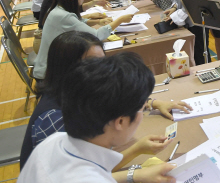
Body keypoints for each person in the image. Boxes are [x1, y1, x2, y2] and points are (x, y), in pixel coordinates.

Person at [22, 31, 192, 170]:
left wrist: (152, 102)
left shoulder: (74, 92)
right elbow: (89, 170)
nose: (104, 70)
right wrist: (136, 161)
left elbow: (114, 95)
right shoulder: (55, 119)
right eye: (94, 63)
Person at [33, 0, 133, 81]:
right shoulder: (63, 16)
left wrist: (99, 21)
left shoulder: (60, 9)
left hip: (52, 68)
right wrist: (120, 20)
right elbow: (96, 36)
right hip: (48, 74)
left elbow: (77, 22)